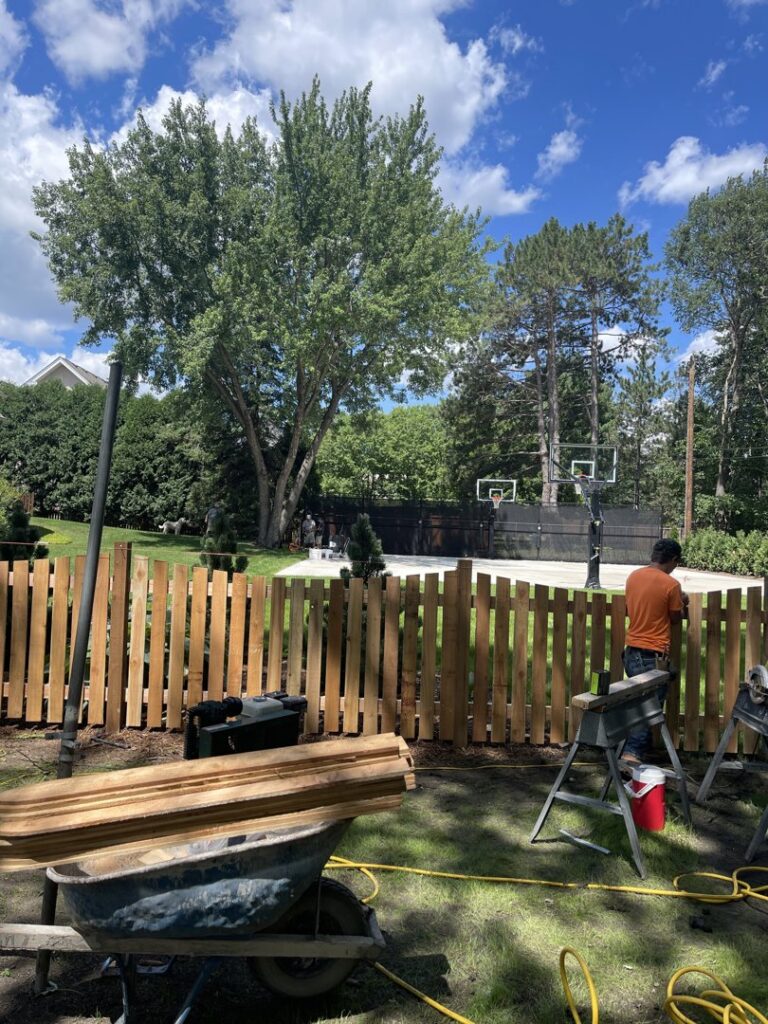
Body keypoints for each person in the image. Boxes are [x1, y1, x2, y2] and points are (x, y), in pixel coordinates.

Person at [622, 538, 689, 765]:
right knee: (647, 708)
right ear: (673, 560)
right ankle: (631, 758)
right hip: (652, 654)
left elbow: (632, 608)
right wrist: (682, 604)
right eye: (675, 564)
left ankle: (634, 750)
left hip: (631, 651)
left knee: (639, 703)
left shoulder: (634, 577)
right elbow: (675, 619)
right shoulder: (671, 585)